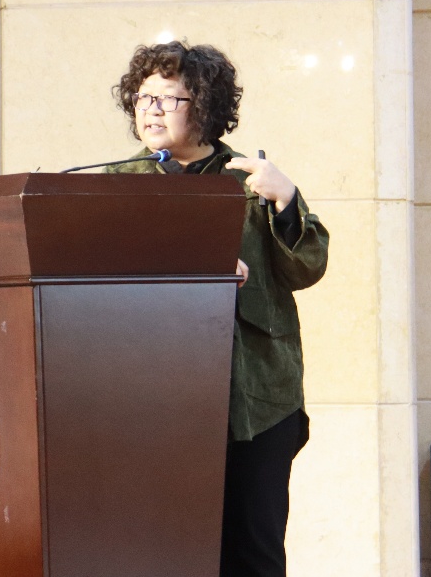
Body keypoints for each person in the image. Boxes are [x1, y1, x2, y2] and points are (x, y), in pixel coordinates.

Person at [106, 40, 329, 577]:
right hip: (153, 403)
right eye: (142, 98)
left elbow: (307, 267)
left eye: (167, 98)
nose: (151, 110)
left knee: (254, 554)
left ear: (204, 105)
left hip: (257, 398)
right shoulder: (116, 184)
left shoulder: (250, 179)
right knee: (168, 555)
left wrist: (285, 199)